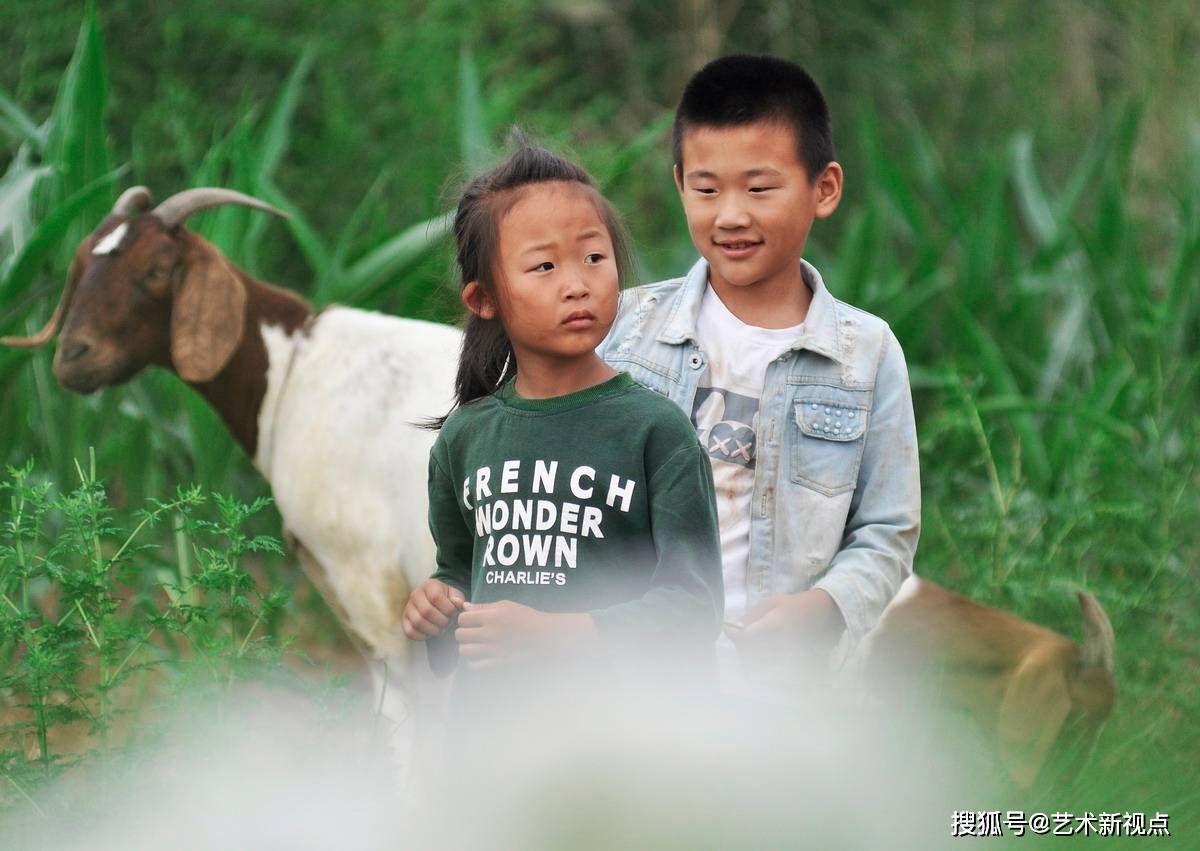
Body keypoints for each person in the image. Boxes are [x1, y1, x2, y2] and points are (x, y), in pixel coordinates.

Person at [598, 55, 921, 701]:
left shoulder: (866, 353)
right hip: (630, 676)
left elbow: (887, 530)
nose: (731, 215)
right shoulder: (624, 328)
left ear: (823, 188)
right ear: (679, 184)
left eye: (760, 187)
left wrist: (826, 607)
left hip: (782, 690)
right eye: (707, 189)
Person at [402, 144, 724, 715]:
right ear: (484, 298)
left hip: (619, 747)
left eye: (594, 258)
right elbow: (458, 576)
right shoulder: (465, 439)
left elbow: (693, 606)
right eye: (544, 266)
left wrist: (562, 635)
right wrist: (436, 607)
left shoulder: (656, 432)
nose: (577, 284)